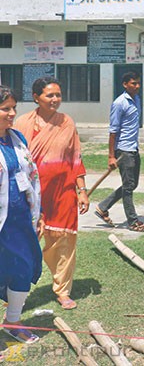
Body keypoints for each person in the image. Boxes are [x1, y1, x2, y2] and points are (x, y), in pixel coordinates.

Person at [16, 77, 89, 311]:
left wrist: (82, 190)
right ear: (36, 97)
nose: (55, 99)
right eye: (50, 95)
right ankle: (17, 290)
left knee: (65, 243)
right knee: (25, 243)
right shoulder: (21, 123)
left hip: (63, 192)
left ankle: (63, 290)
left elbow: (75, 158)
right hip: (31, 195)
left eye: (58, 94)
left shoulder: (66, 123)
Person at [0, 85, 42, 344]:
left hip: (19, 219)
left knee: (23, 266)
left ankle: (13, 322)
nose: (12, 113)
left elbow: (31, 178)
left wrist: (39, 213)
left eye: (14, 108)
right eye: (6, 109)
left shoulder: (17, 140)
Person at [94, 71, 144, 232]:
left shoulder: (137, 99)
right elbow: (113, 132)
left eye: (138, 83)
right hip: (123, 150)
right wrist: (111, 156)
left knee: (132, 184)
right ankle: (133, 221)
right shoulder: (119, 103)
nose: (137, 86)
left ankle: (103, 207)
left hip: (133, 148)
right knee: (128, 187)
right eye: (133, 83)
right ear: (125, 85)